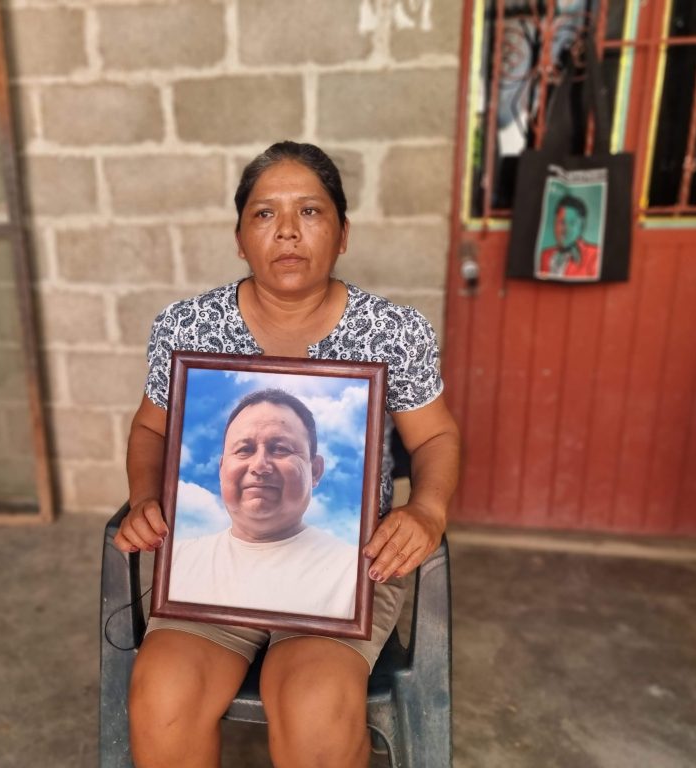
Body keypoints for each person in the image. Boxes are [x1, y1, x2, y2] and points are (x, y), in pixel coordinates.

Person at [114, 140, 461, 768]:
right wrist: (144, 498)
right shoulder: (188, 327)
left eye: (311, 212)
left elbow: (435, 437)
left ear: (344, 233)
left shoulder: (394, 332)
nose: (289, 232)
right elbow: (151, 431)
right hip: (213, 579)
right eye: (265, 214)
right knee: (163, 692)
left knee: (316, 704)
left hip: (346, 575)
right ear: (240, 237)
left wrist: (427, 510)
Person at [169, 388, 359, 619]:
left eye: (280, 449)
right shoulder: (180, 560)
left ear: (316, 470)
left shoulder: (352, 571)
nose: (259, 466)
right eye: (244, 450)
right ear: (221, 470)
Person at [537, 194, 601, 279]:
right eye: (561, 222)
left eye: (572, 223)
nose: (565, 230)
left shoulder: (595, 255)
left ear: (582, 226)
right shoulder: (544, 256)